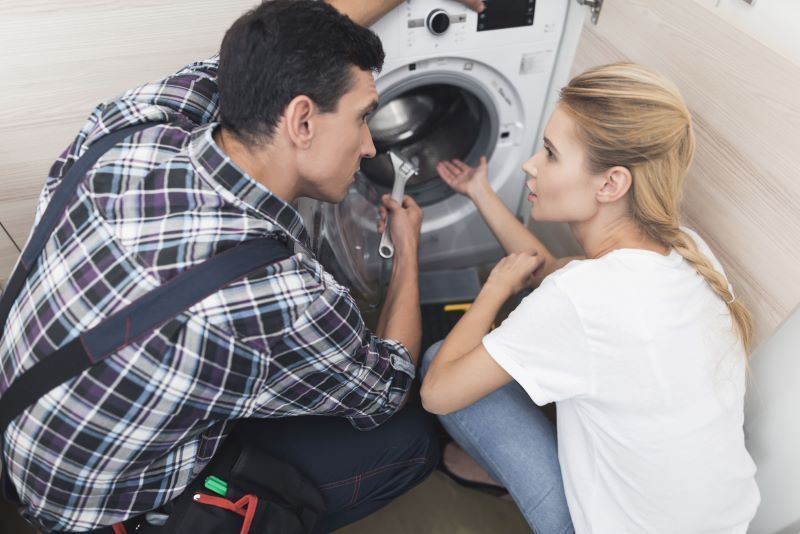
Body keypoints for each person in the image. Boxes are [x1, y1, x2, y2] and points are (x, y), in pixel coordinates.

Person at [0, 1, 484, 532]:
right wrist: (407, 253)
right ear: (302, 119)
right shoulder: (277, 295)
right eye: (364, 116)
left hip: (23, 438)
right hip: (100, 511)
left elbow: (279, 39)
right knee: (408, 439)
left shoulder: (136, 124)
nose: (370, 147)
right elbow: (386, 388)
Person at [419, 63, 761, 533]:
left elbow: (439, 394)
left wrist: (495, 288)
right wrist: (479, 190)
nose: (529, 165)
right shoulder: (687, 247)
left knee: (442, 358)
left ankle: (511, 477)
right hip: (726, 522)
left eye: (550, 154)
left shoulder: (580, 297)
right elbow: (545, 269)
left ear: (611, 184)